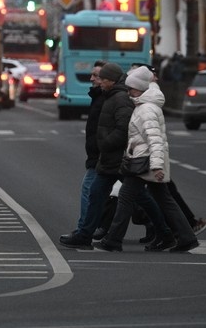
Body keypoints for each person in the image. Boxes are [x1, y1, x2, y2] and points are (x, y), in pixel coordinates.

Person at [60, 63, 166, 250]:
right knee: (100, 194)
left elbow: (124, 128)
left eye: (103, 79)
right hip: (110, 158)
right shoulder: (112, 96)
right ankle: (85, 234)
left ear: (112, 80)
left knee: (130, 197)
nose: (99, 82)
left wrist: (106, 143)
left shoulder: (120, 99)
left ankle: (164, 232)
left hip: (116, 158)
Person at [96, 66, 199, 253]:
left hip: (143, 162)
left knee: (125, 198)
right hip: (145, 160)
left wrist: (157, 166)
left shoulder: (146, 110)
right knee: (165, 200)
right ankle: (185, 237)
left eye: (131, 89)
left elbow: (156, 140)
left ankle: (113, 239)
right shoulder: (144, 105)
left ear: (140, 89)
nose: (128, 93)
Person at [76, 61, 106, 233]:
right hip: (100, 155)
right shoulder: (98, 96)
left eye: (96, 76)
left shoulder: (104, 99)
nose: (91, 79)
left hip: (103, 156)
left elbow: (106, 130)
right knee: (136, 195)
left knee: (89, 189)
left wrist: (101, 151)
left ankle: (84, 230)